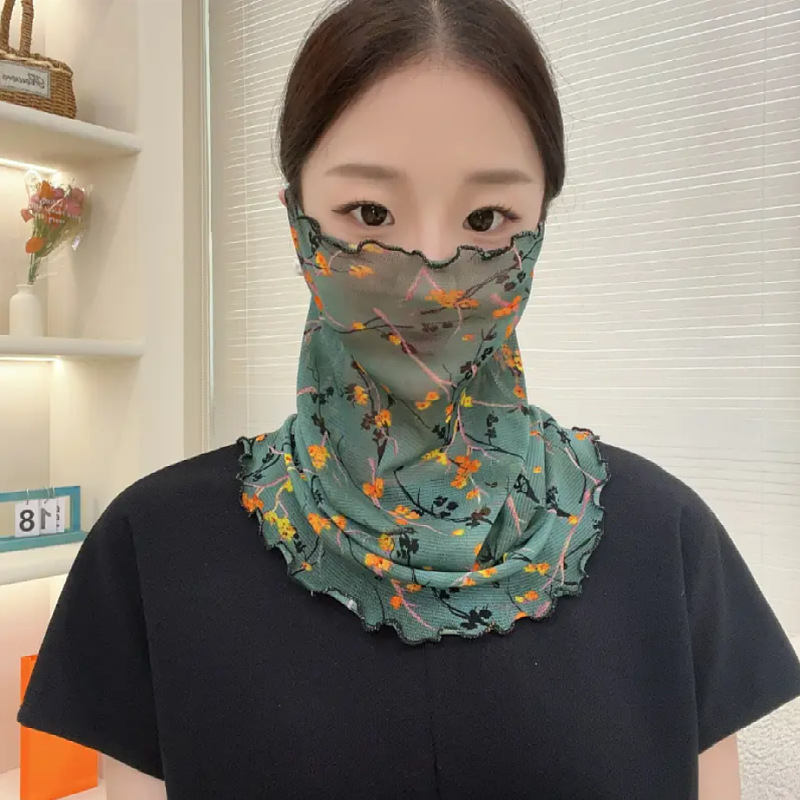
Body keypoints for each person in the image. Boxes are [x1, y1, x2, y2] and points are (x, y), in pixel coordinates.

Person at [17, 1, 800, 798]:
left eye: (486, 217)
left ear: (540, 226)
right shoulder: (150, 552)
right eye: (370, 213)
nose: (429, 265)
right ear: (296, 224)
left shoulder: (669, 545)